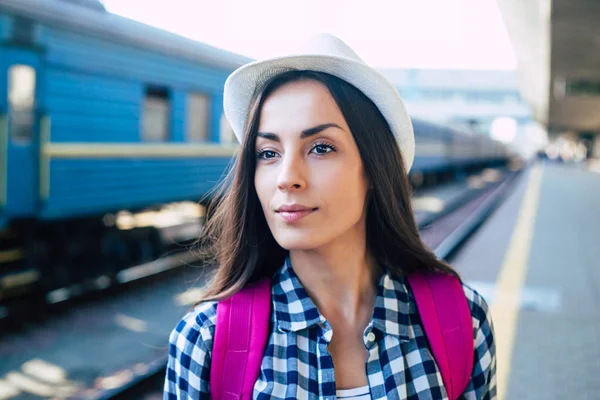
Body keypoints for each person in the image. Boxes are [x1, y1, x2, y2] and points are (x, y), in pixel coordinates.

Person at [164, 33, 496, 399]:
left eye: (321, 148)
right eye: (268, 152)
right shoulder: (206, 342)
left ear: (373, 168)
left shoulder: (462, 321)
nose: (287, 177)